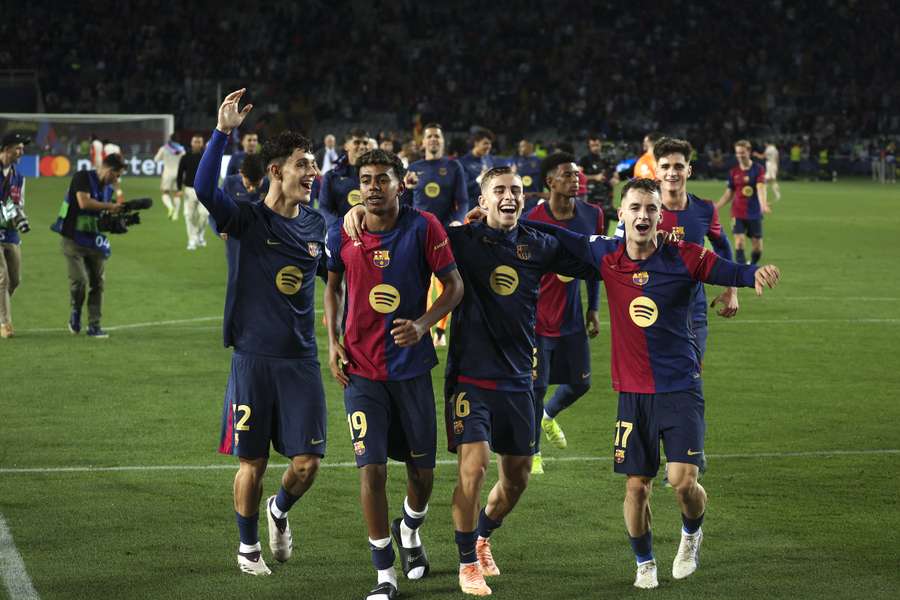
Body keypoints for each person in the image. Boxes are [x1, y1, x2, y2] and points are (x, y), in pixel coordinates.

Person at [346, 167, 597, 596]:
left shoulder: (539, 245)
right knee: (474, 468)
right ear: (481, 199)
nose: (509, 196)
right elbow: (403, 223)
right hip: (470, 377)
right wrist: (356, 212)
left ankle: (482, 538)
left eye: (516, 190)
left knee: (516, 477)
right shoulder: (459, 239)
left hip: (520, 378)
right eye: (499, 190)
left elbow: (596, 258)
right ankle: (466, 564)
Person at [532, 178, 781, 589]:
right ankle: (644, 562)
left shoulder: (683, 256)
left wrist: (754, 274)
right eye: (634, 208)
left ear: (660, 216)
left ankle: (691, 534)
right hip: (633, 393)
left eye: (650, 209)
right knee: (637, 487)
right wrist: (499, 223)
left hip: (680, 386)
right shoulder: (606, 254)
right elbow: (559, 236)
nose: (642, 216)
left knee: (684, 482)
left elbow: (728, 268)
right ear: (622, 214)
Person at [195, 89, 327, 577]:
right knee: (251, 462)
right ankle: (248, 547)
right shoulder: (245, 218)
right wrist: (221, 132)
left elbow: (340, 275)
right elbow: (205, 190)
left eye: (313, 165)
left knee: (308, 463)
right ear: (275, 171)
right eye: (302, 165)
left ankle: (279, 511)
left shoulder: (318, 223)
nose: (312, 173)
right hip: (253, 357)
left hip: (301, 361)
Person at [324, 149, 464, 600]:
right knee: (373, 472)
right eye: (366, 179)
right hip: (361, 373)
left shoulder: (425, 227)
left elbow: (455, 286)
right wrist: (332, 341)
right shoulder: (343, 233)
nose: (372, 186)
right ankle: (384, 574)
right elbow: (332, 286)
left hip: (412, 370)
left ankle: (410, 528)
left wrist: (424, 325)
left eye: (382, 179)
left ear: (401, 183)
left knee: (423, 476)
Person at [525, 152, 604, 474]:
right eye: (568, 175)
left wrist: (593, 307)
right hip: (538, 319)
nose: (576, 180)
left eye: (577, 175)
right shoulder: (533, 218)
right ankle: (534, 453)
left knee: (581, 383)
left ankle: (547, 416)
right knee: (537, 387)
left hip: (572, 317)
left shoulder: (592, 214)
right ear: (550, 182)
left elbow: (595, 265)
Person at [404, 123, 469, 347]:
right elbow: (405, 204)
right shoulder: (413, 167)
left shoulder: (454, 167)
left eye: (437, 137)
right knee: (417, 283)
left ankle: (440, 330)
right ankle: (416, 327)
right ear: (423, 142)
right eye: (429, 136)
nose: (433, 140)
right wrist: (406, 189)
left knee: (446, 284)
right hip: (417, 233)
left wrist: (457, 220)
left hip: (444, 232)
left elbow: (462, 200)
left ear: (442, 141)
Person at [51, 153, 127, 338]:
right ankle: (75, 311)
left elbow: (100, 217)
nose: (117, 180)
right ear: (109, 170)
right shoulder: (82, 177)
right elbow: (83, 203)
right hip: (72, 239)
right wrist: (110, 207)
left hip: (94, 241)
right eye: (116, 175)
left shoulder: (107, 189)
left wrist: (116, 224)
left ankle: (94, 325)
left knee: (98, 284)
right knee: (79, 281)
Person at [716, 140, 770, 265]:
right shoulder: (733, 172)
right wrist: (716, 206)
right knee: (739, 241)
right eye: (738, 153)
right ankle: (741, 269)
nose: (740, 155)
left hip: (754, 212)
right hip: (737, 212)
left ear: (749, 152)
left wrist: (763, 204)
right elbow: (729, 193)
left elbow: (761, 188)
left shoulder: (758, 169)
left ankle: (752, 264)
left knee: (757, 247)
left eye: (742, 153)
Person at [0, 133, 30, 339]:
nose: (22, 152)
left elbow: (19, 204)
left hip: (11, 234)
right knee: (2, 278)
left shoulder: (19, 177)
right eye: (18, 148)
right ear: (5, 149)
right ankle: (4, 323)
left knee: (15, 280)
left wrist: (20, 216)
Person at [318, 128, 369, 229]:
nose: (362, 146)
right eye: (357, 142)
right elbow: (324, 209)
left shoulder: (376, 176)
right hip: (342, 234)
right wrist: (340, 227)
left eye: (365, 143)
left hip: (371, 233)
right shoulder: (332, 176)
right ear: (346, 146)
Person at [578, 134, 619, 234]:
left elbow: (615, 175)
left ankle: (604, 246)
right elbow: (578, 175)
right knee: (592, 225)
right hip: (591, 197)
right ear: (589, 146)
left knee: (605, 226)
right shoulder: (585, 160)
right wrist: (595, 177)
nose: (595, 148)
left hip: (606, 197)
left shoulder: (607, 159)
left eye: (597, 145)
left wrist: (614, 179)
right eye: (593, 145)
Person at [176, 134, 209, 250]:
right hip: (189, 190)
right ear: (191, 143)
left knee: (204, 214)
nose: (197, 144)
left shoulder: (207, 157)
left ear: (202, 144)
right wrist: (179, 189)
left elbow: (211, 174)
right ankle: (192, 241)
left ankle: (199, 234)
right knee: (189, 216)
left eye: (199, 142)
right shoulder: (185, 157)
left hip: (204, 190)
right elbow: (180, 174)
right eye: (195, 141)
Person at [457, 128, 495, 209]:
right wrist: (479, 180)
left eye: (490, 144)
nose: (489, 146)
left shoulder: (488, 159)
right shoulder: (463, 162)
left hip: (487, 207)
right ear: (476, 143)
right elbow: (463, 188)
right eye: (485, 143)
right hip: (470, 207)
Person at [154, 134, 186, 220]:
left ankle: (170, 207)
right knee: (177, 194)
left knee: (165, 192)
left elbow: (156, 159)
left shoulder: (164, 148)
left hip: (167, 173)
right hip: (178, 173)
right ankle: (176, 214)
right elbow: (185, 161)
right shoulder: (182, 150)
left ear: (170, 139)